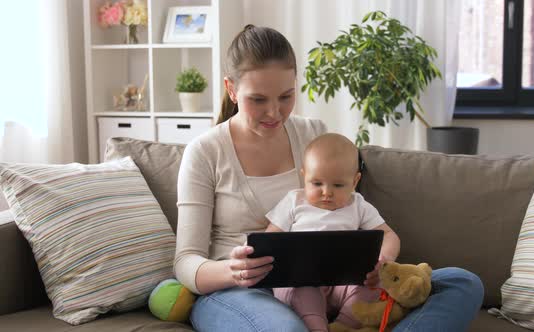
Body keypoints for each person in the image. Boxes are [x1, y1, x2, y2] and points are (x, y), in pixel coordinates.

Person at [175, 24, 484, 332]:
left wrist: (377, 264)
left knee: (460, 282)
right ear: (231, 89)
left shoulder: (314, 133)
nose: (274, 112)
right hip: (241, 293)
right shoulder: (204, 152)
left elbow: (353, 216)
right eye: (258, 100)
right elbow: (186, 262)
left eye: (286, 96)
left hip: (334, 285)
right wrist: (233, 272)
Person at [265, 133, 400, 332]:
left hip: (344, 283)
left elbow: (389, 235)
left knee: (373, 287)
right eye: (317, 183)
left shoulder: (358, 205)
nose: (326, 192)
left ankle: (342, 326)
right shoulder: (294, 201)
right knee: (301, 292)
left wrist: (384, 259)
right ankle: (317, 327)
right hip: (302, 282)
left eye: (338, 185)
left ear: (355, 182)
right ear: (304, 176)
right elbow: (270, 238)